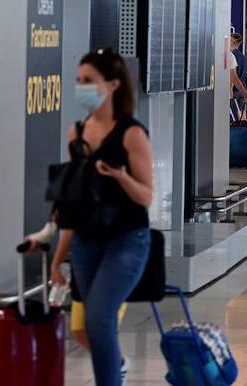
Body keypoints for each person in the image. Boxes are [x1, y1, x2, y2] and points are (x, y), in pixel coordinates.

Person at [49, 49, 154, 386]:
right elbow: (73, 205)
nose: (81, 87)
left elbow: (147, 196)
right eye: (79, 81)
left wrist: (120, 176)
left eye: (88, 81)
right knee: (87, 327)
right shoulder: (76, 134)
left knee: (98, 318)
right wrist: (58, 258)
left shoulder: (131, 134)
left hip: (127, 239)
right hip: (86, 240)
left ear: (112, 84)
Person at [226, 32, 247, 117]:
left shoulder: (231, 55)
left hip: (234, 90)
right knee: (242, 114)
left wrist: (230, 90)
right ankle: (242, 128)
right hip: (242, 88)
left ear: (234, 42)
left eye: (230, 40)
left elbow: (234, 76)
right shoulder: (242, 56)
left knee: (234, 115)